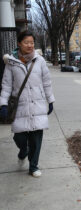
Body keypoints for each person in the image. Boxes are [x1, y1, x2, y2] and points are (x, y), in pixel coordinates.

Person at [0, 30, 55, 177]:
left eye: (32, 42)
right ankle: (23, 150)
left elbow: (47, 82)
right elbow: (6, 85)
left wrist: (50, 100)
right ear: (19, 44)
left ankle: (33, 166)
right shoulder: (11, 63)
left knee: (36, 137)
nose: (30, 45)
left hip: (37, 104)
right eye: (26, 42)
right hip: (20, 106)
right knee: (19, 137)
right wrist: (3, 104)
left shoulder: (40, 61)